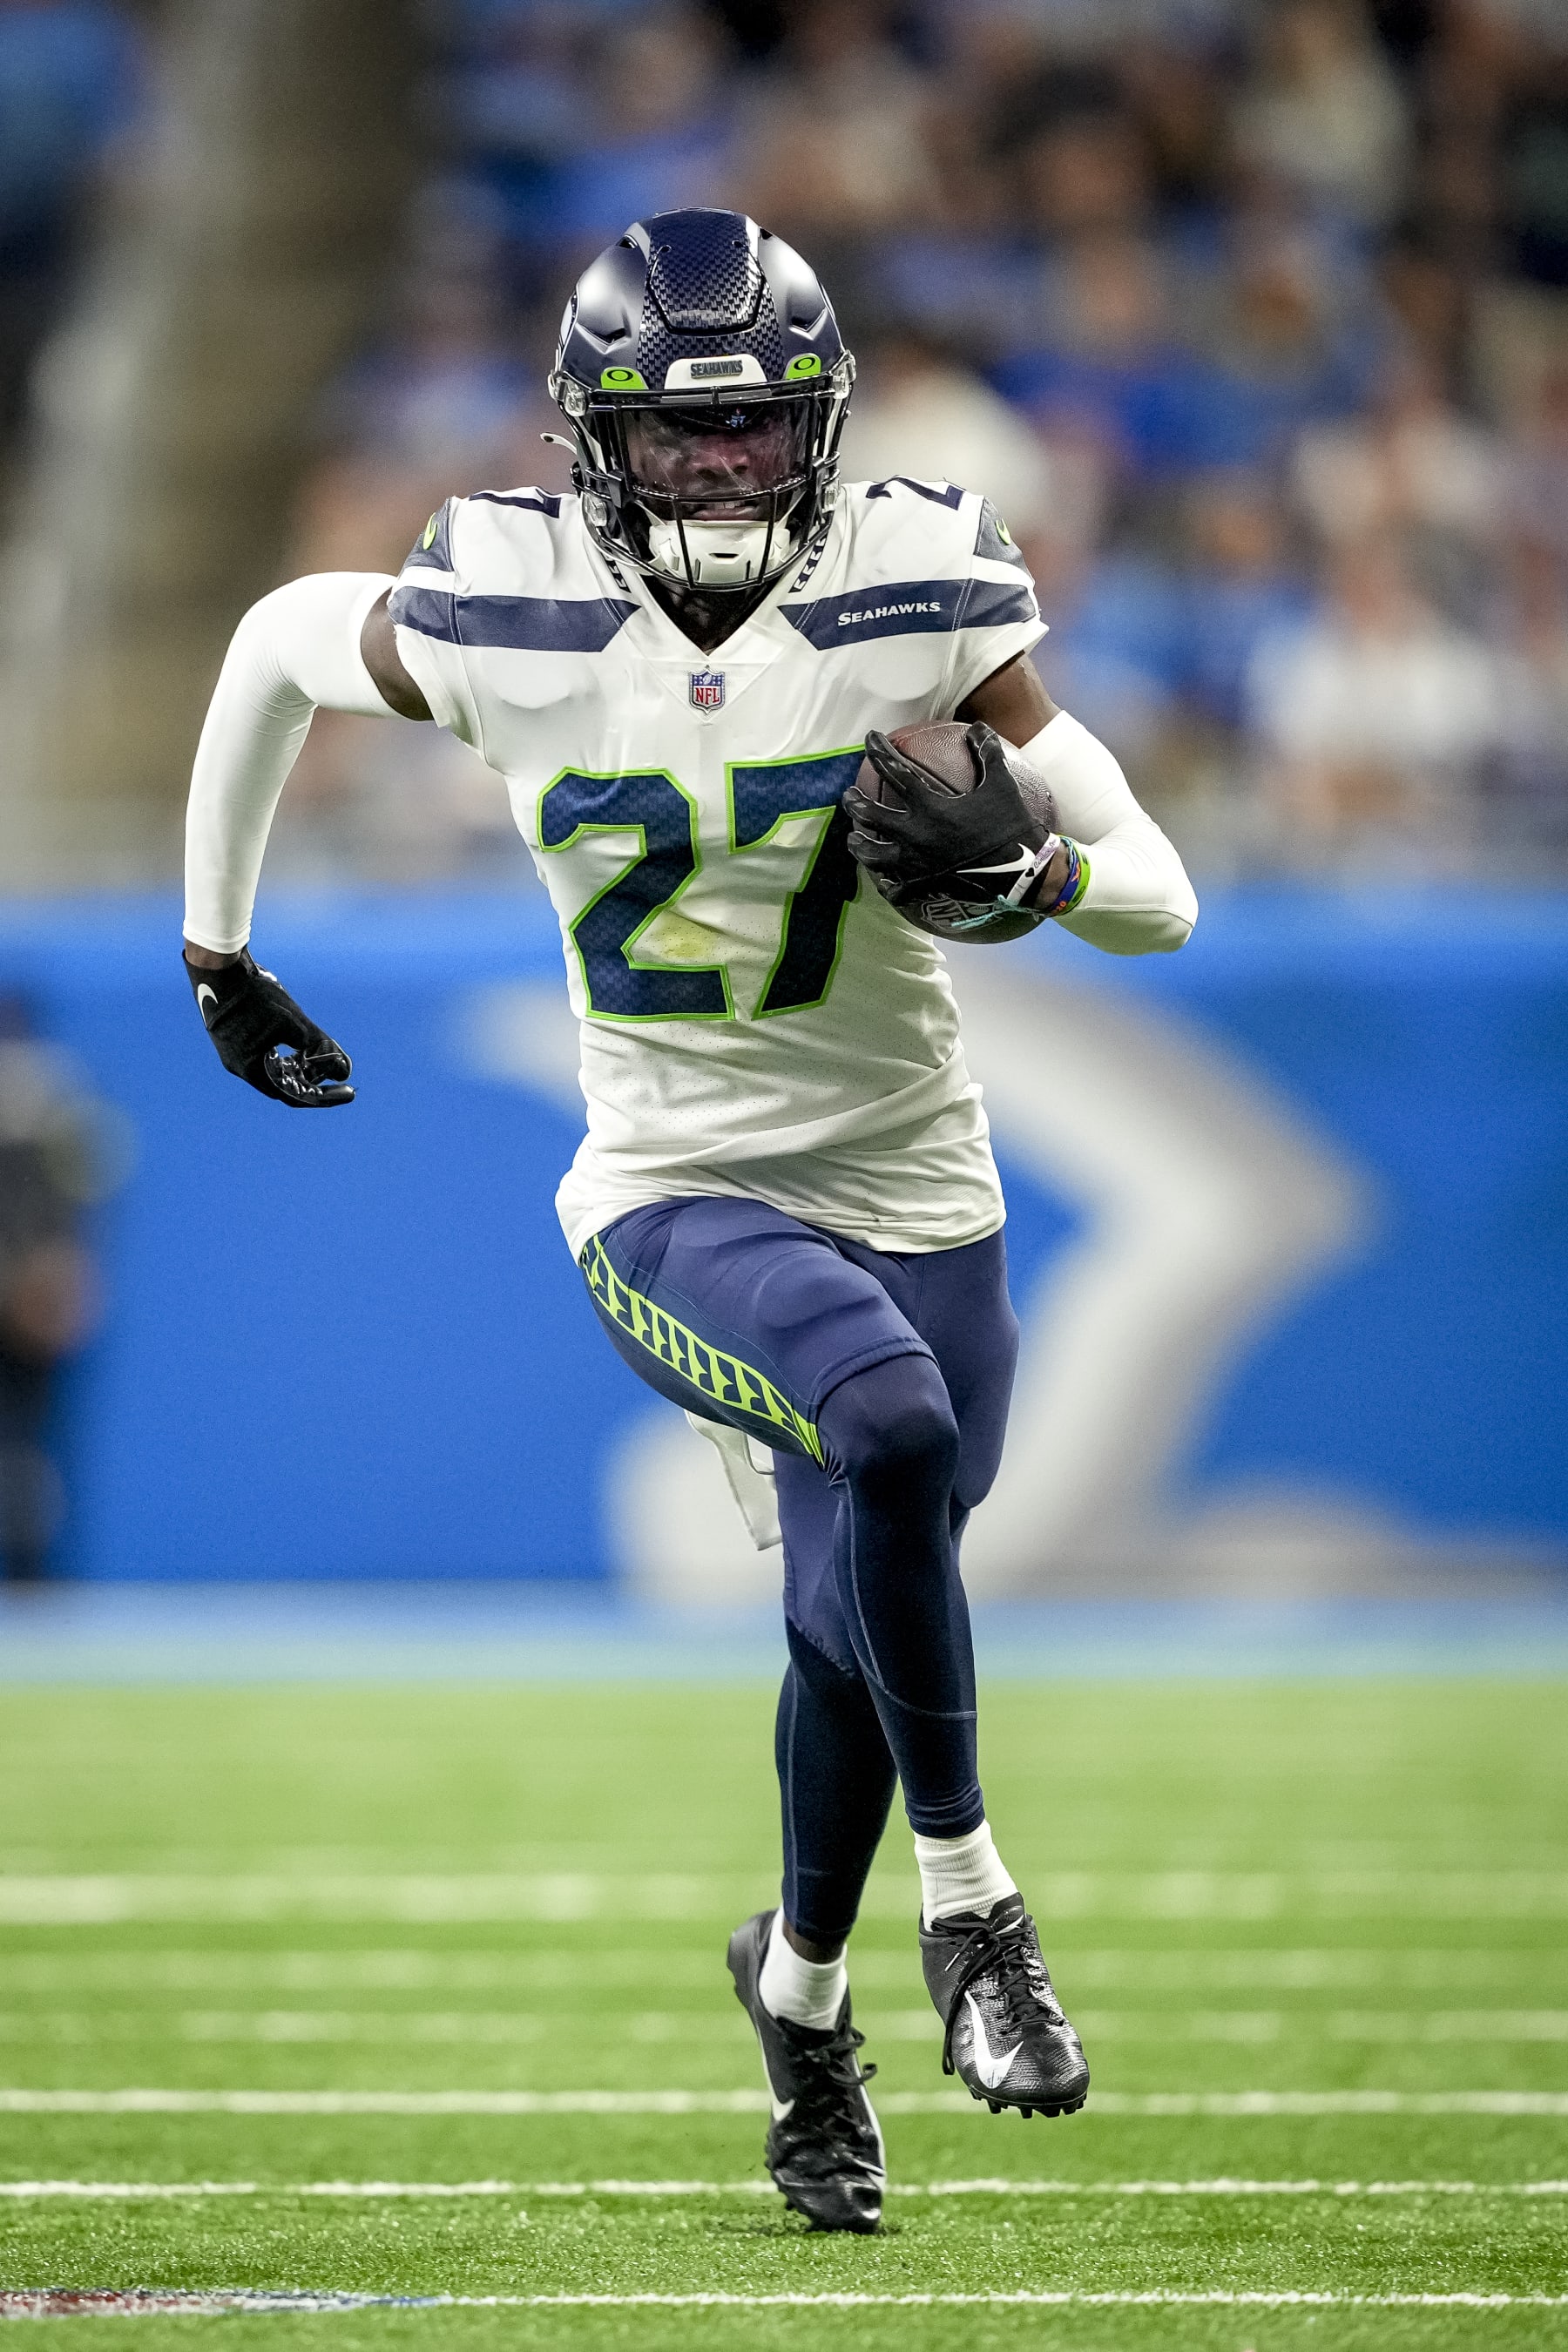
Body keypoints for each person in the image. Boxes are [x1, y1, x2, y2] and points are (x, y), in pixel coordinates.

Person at [181, 208, 1197, 2234]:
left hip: (920, 1178)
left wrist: (1041, 886)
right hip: (671, 1182)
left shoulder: (918, 587)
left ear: (818, 432)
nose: (721, 474)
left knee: (852, 1622)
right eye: (678, 438)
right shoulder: (507, 606)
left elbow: (1162, 884)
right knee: (890, 1440)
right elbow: (277, 638)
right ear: (595, 443)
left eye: (753, 436)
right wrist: (217, 948)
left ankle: (802, 2009)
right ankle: (977, 1913)